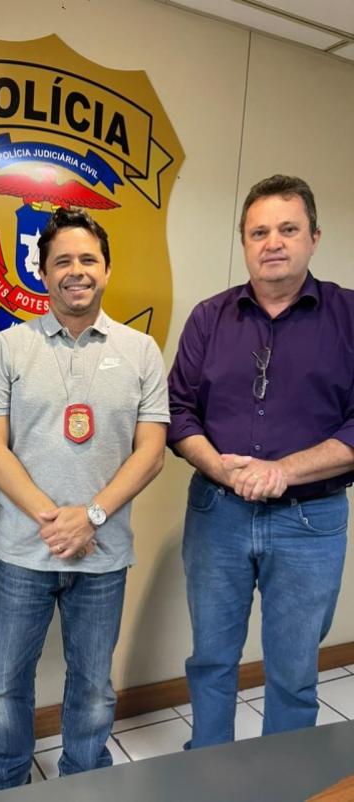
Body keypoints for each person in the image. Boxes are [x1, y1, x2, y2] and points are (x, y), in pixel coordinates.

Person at [0, 207, 169, 790]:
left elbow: (151, 452)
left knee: (93, 686)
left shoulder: (142, 351)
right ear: (42, 272)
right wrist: (55, 521)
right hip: (20, 552)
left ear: (106, 270)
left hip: (103, 555)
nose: (76, 271)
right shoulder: (8, 347)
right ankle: (7, 786)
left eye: (88, 259)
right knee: (6, 684)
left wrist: (92, 517)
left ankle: (86, 784)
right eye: (62, 261)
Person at [167, 174, 354, 749]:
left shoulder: (349, 316)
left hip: (309, 521)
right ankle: (207, 768)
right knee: (211, 659)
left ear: (314, 237)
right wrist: (220, 469)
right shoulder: (209, 317)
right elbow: (178, 411)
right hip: (217, 512)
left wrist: (283, 471)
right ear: (244, 242)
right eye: (259, 232)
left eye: (288, 229)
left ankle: (285, 781)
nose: (273, 242)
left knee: (294, 671)